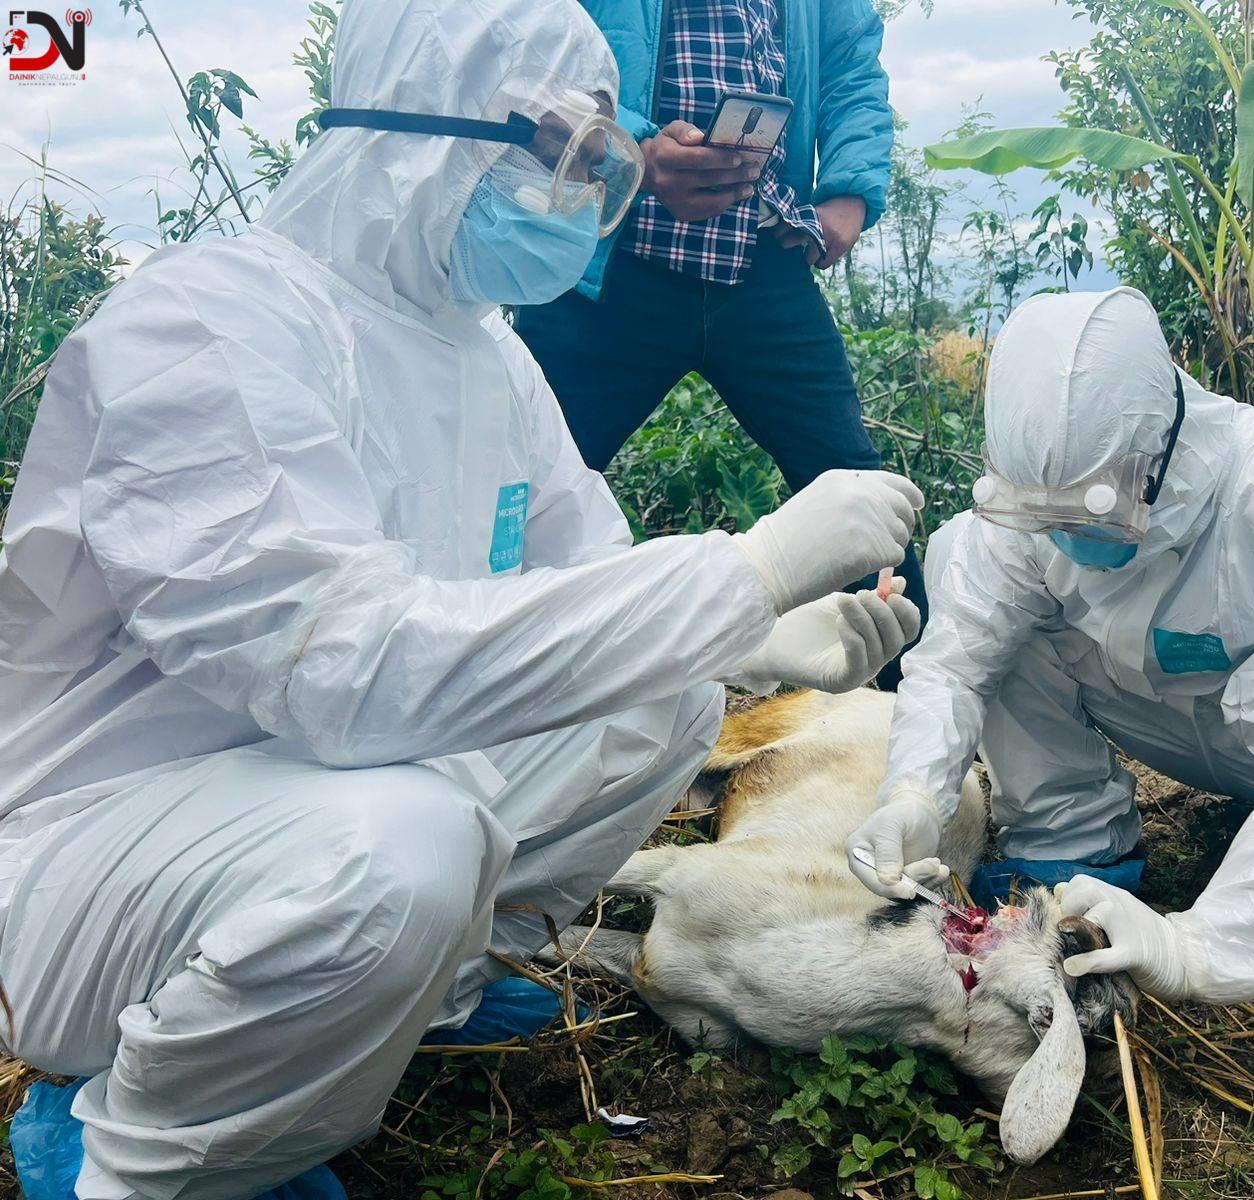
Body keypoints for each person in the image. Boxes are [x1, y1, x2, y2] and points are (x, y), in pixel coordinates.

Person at [0, 1, 926, 1196]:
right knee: (401, 853)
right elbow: (342, 672)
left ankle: (412, 991)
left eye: (609, 165)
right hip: (98, 866)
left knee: (663, 697)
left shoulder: (480, 353)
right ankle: (145, 1146)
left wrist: (749, 642)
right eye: (562, 156)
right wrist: (743, 570)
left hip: (308, 809)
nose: (581, 197)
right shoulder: (208, 327)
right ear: (421, 132)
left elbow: (584, 581)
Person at [845, 289, 1254, 1040]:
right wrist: (917, 794)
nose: (1066, 538)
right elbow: (957, 665)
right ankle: (1069, 843)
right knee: (961, 554)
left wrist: (1204, 945)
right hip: (1166, 719)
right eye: (1047, 520)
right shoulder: (1031, 499)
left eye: (1088, 514)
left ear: (1156, 449)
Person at [514, 0, 928, 688]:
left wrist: (851, 195)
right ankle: (489, 727)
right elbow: (542, 43)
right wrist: (634, 149)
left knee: (856, 489)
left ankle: (924, 726)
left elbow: (852, 59)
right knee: (521, 493)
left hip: (764, 263)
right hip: (611, 264)